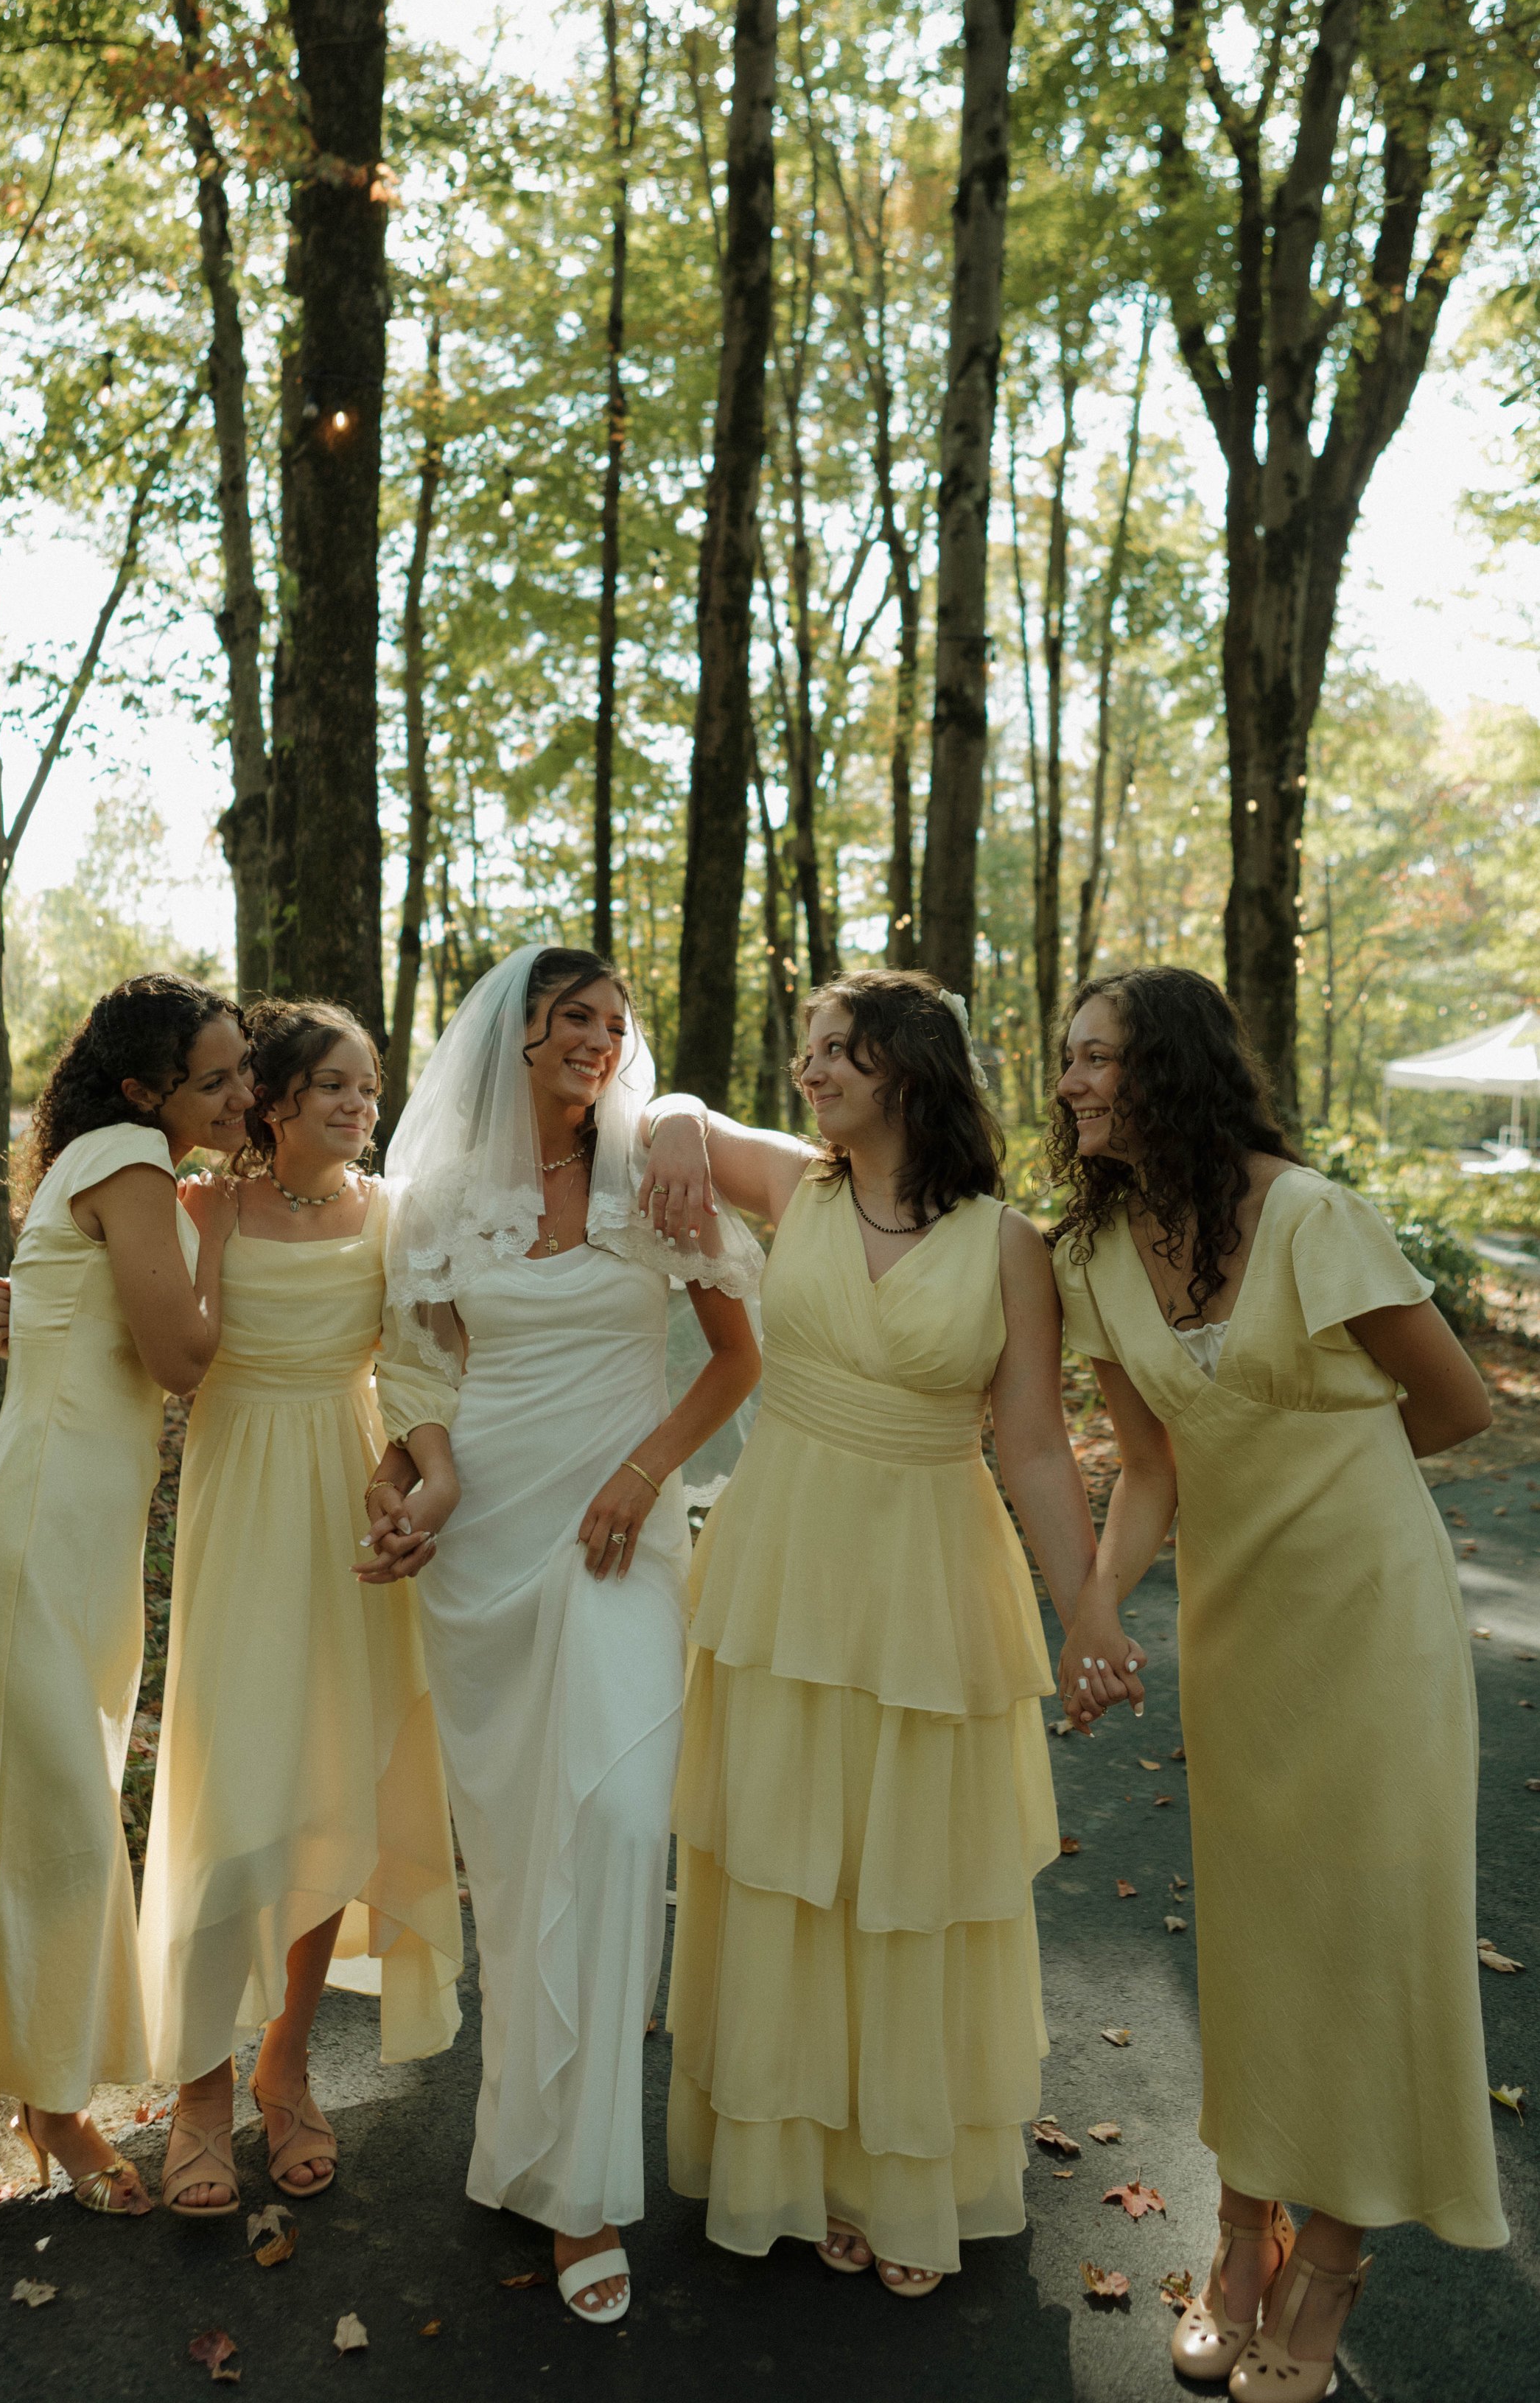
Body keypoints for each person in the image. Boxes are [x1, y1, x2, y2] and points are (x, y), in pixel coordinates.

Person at [1050, 966, 1505, 2398]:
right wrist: (1094, 1606)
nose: (1067, 1085)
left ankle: (1328, 2260)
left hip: (1372, 1628)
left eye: (1096, 1060)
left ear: (1168, 1067)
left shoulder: (1309, 1217)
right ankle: (1238, 2230)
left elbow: (1454, 1405)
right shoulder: (1094, 1255)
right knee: (1251, 1949)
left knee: (1366, 1935)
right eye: (1062, 1061)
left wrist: (1324, 1482)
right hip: (1236, 1641)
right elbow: (1146, 1463)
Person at [639, 969, 1126, 2298]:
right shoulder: (794, 1182)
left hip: (927, 1572)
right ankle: (790, 2166)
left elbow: (1029, 1443)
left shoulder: (1009, 1242)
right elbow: (660, 1110)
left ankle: (893, 2172)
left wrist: (1089, 1605)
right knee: (789, 1857)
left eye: (837, 1049)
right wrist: (682, 1113)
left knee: (905, 1875)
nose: (813, 1071)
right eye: (804, 1051)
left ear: (908, 1066)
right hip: (784, 1560)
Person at [362, 945, 761, 2324]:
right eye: (573, 1018)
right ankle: (523, 2144)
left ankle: (586, 2192)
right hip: (483, 1543)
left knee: (619, 1819)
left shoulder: (654, 1176)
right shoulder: (436, 1199)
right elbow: (412, 1360)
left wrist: (646, 1472)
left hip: (617, 1525)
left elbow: (736, 1356)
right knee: (526, 1855)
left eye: (615, 1020)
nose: (600, 1038)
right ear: (516, 1036)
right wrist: (431, 1472)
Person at [0, 974, 248, 2218]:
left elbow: (69, 1320)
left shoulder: (119, 1161)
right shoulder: (132, 1158)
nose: (242, 1093)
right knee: (68, 1839)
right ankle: (54, 2112)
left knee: (15, 1833)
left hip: (74, 1548)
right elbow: (182, 1358)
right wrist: (221, 1243)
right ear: (146, 1091)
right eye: (217, 1077)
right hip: (25, 1543)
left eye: (243, 1070)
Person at [136, 999, 463, 2216]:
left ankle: (286, 2058)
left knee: (333, 1781)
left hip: (347, 1504)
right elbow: (130, 1327)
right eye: (334, 1084)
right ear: (270, 1097)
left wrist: (419, 1475)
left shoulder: (394, 1215)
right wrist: (14, 1311)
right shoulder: (201, 1207)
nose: (359, 1106)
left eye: (370, 1088)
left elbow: (426, 1364)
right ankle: (202, 2089)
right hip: (238, 1512)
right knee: (236, 1785)